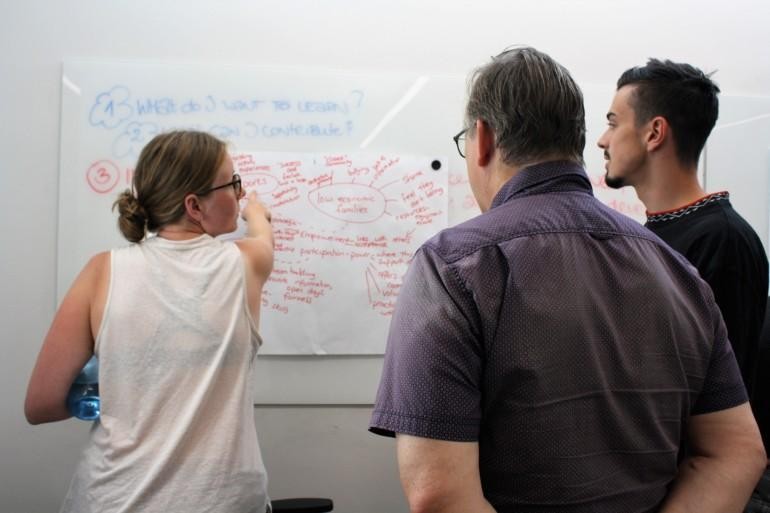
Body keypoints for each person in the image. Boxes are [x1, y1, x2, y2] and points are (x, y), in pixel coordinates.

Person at [369, 46, 766, 513]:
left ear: (482, 140)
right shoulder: (677, 270)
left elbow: (439, 495)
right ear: (573, 139)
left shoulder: (452, 266)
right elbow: (737, 451)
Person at [24, 130, 275, 513]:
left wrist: (115, 393)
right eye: (233, 184)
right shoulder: (247, 263)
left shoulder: (102, 271)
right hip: (220, 502)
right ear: (194, 206)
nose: (239, 194)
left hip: (112, 498)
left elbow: (41, 404)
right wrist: (257, 214)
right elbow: (262, 234)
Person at [597, 59, 770, 512]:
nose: (602, 139)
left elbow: (715, 408)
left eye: (614, 123)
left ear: (655, 133)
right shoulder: (652, 236)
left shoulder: (722, 241)